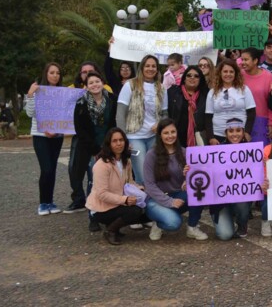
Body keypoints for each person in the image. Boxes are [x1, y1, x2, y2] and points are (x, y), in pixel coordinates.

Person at [143, 118, 207, 241]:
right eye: (166, 133)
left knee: (200, 191)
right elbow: (149, 185)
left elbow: (193, 178)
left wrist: (187, 178)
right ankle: (158, 222)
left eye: (173, 132)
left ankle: (192, 227)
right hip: (155, 200)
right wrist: (169, 202)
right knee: (174, 224)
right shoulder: (151, 155)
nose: (170, 136)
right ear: (159, 135)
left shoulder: (184, 152)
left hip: (178, 195)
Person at [85, 128, 149, 245]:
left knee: (147, 206)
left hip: (116, 203)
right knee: (135, 211)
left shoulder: (126, 160)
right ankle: (110, 230)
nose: (119, 143)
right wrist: (125, 200)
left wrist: (142, 190)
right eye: (114, 141)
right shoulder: (101, 165)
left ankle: (114, 226)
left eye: (121, 140)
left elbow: (129, 182)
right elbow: (102, 194)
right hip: (101, 208)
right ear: (108, 144)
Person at [73, 71, 118, 231]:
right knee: (94, 182)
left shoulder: (112, 99)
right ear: (86, 86)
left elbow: (115, 123)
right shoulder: (81, 103)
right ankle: (93, 216)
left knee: (113, 182)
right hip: (92, 149)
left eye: (97, 81)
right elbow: (80, 130)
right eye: (90, 83)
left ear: (102, 82)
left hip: (111, 146)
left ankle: (110, 215)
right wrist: (95, 149)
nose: (94, 85)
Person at [116, 55, 167, 185]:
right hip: (134, 136)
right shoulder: (130, 85)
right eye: (147, 66)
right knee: (142, 175)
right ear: (142, 67)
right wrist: (123, 139)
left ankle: (154, 201)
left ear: (157, 69)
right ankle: (143, 203)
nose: (150, 68)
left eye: (153, 66)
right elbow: (120, 114)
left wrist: (160, 124)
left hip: (153, 137)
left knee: (154, 173)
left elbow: (165, 114)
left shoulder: (162, 88)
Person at [25, 63, 65, 215]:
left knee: (53, 169)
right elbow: (30, 113)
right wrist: (30, 95)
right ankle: (43, 202)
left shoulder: (62, 93)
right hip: (40, 135)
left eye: (58, 73)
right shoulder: (37, 91)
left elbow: (65, 114)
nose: (55, 75)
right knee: (46, 169)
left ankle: (50, 201)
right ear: (46, 74)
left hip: (57, 136)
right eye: (52, 72)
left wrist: (57, 130)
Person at [209, 118, 255, 239]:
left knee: (242, 206)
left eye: (238, 130)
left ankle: (241, 223)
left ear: (243, 132)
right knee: (225, 235)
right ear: (226, 133)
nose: (235, 134)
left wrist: (264, 164)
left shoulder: (252, 152)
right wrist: (191, 170)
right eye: (231, 131)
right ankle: (226, 217)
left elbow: (256, 175)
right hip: (221, 201)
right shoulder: (216, 152)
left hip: (240, 196)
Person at [205, 58, 256, 145]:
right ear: (220, 73)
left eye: (231, 72)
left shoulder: (244, 89)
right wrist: (211, 137)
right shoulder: (212, 92)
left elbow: (251, 112)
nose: (228, 74)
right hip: (218, 136)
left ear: (236, 74)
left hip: (240, 135)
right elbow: (208, 116)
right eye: (225, 71)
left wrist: (247, 132)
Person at [240, 48, 272, 147]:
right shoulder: (239, 75)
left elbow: (271, 103)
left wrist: (271, 123)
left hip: (261, 122)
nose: (243, 62)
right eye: (242, 59)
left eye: (246, 60)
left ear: (255, 61)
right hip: (241, 120)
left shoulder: (268, 77)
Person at [167, 65, 208, 148]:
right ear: (184, 78)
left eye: (196, 76)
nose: (192, 78)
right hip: (176, 136)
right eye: (189, 75)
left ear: (200, 80)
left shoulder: (206, 95)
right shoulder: (173, 92)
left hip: (198, 138)